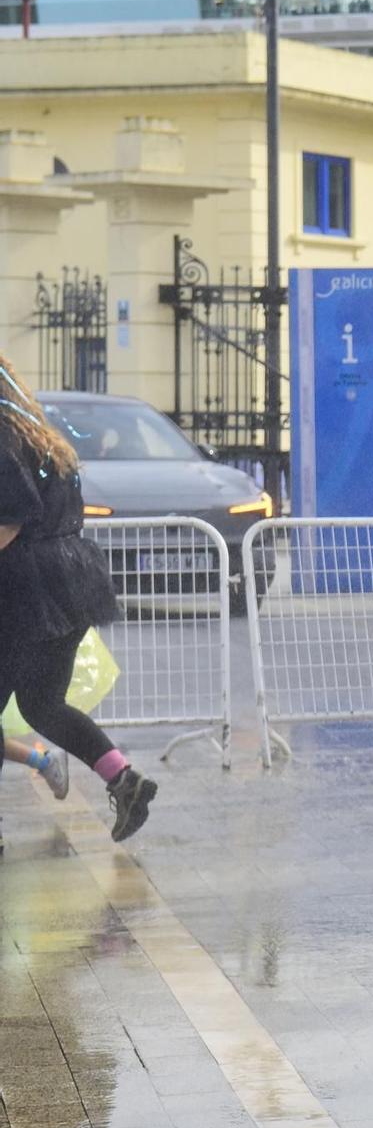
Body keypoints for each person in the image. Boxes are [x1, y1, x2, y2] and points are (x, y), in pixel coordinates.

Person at [0, 353, 158, 843]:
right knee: (43, 705)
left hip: (25, 592)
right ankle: (123, 780)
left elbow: (10, 518)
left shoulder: (3, 436)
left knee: (39, 704)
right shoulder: (39, 437)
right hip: (70, 583)